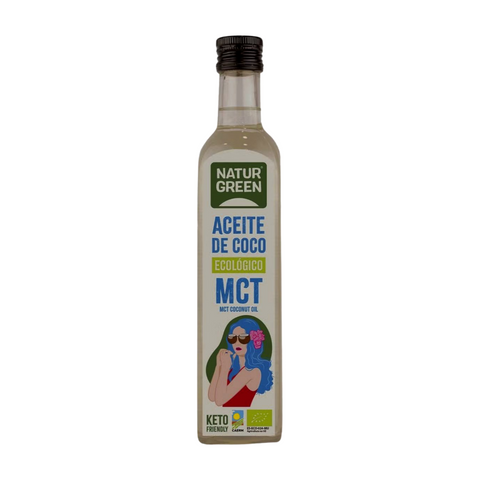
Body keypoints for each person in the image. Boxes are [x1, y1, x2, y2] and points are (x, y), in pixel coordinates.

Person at [208, 318, 273, 407]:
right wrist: (219, 365)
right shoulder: (232, 369)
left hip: (241, 414)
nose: (237, 343)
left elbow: (219, 401)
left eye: (243, 338)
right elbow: (212, 397)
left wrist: (225, 368)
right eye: (233, 338)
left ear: (252, 341)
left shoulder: (252, 371)